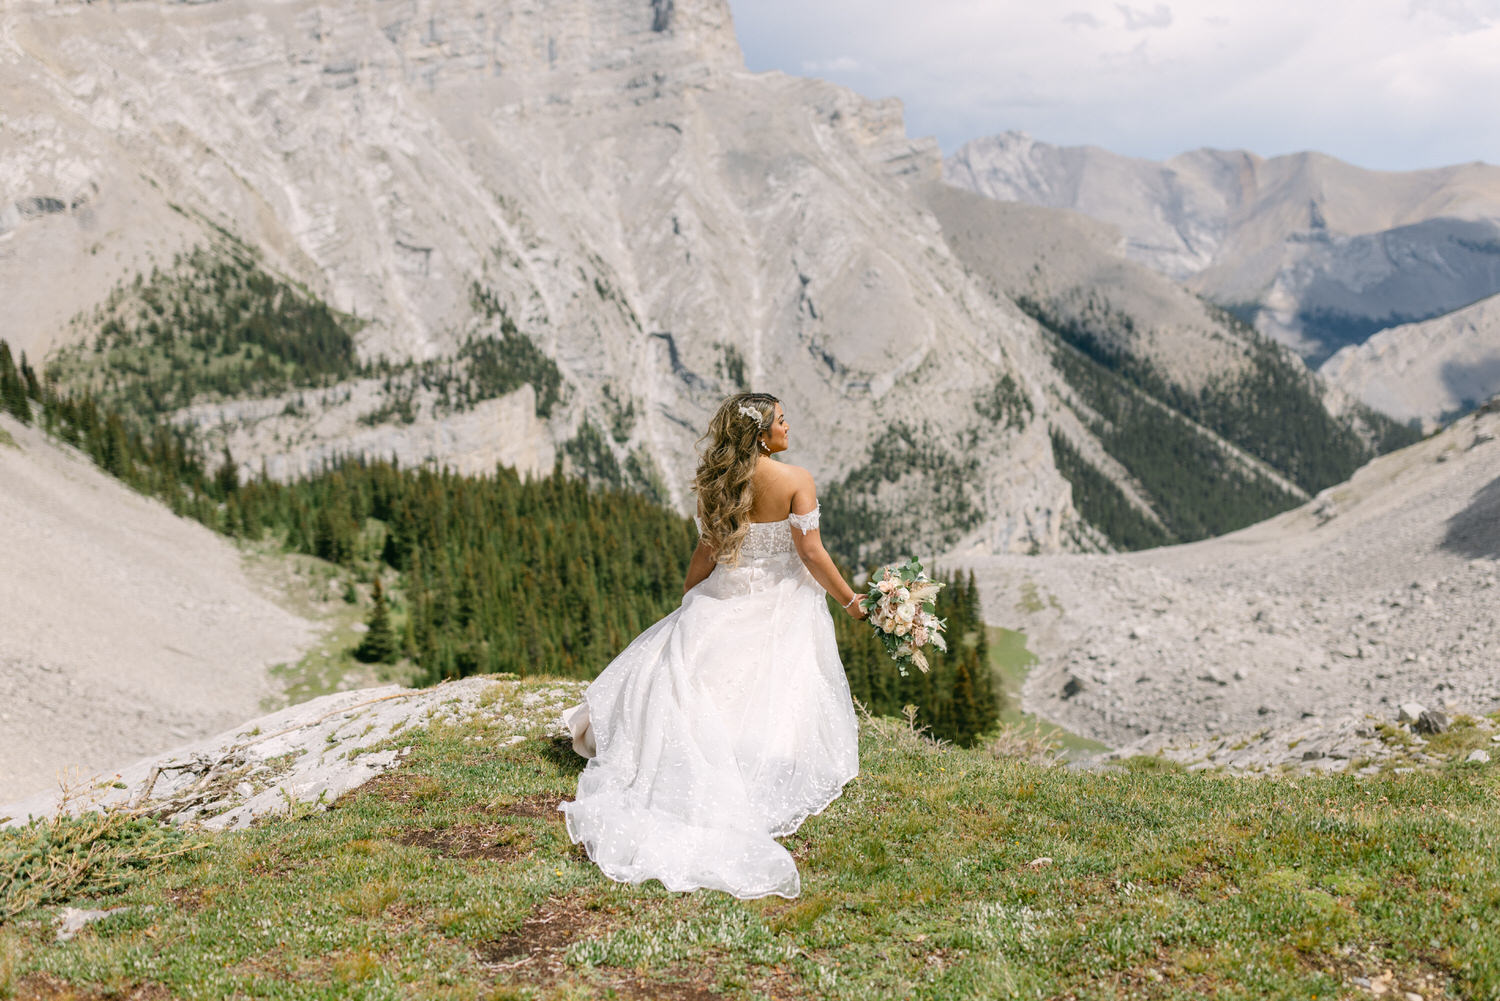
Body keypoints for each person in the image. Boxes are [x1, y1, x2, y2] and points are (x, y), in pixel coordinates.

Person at [558, 392, 867, 899]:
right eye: (782, 421)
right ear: (762, 435)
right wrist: (851, 601)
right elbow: (810, 553)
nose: (789, 427)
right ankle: (759, 755)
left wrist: (692, 603)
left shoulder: (717, 483)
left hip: (725, 591)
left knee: (693, 672)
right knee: (776, 681)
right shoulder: (796, 481)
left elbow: (707, 552)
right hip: (780, 599)